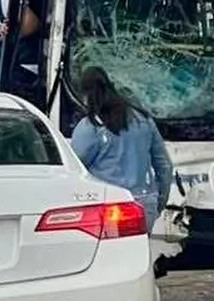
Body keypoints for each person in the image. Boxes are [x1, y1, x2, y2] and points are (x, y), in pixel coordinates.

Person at [69, 67, 174, 232]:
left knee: (109, 256)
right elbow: (165, 167)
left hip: (109, 207)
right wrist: (158, 202)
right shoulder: (144, 120)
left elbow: (73, 169)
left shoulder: (91, 126)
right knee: (138, 255)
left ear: (86, 95)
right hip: (145, 204)